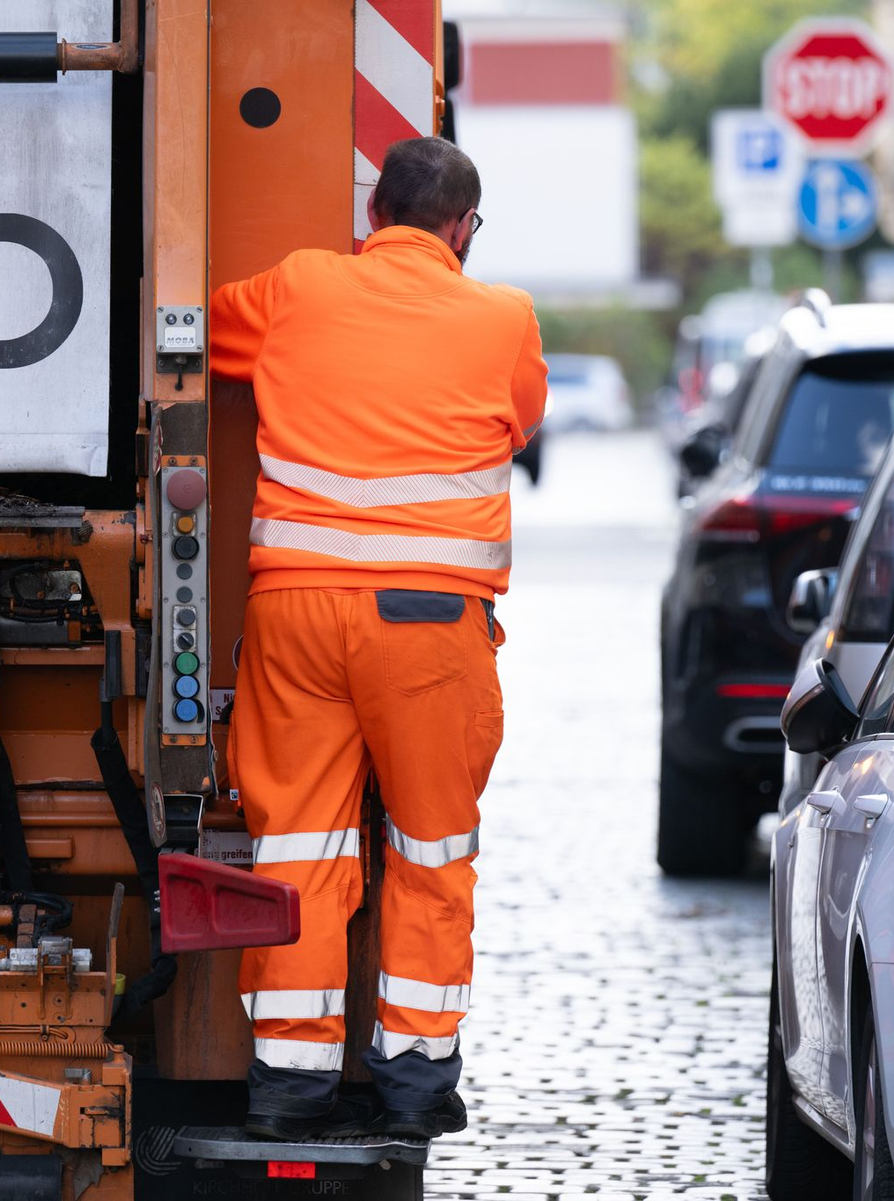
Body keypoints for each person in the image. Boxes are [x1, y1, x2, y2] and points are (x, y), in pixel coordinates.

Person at [209, 136, 548, 1142]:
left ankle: (288, 1086)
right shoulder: (505, 317)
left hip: (297, 616)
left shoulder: (298, 288)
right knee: (431, 852)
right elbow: (518, 420)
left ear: (372, 212)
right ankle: (412, 1083)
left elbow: (196, 333)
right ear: (462, 229)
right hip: (431, 624)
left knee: (300, 846)